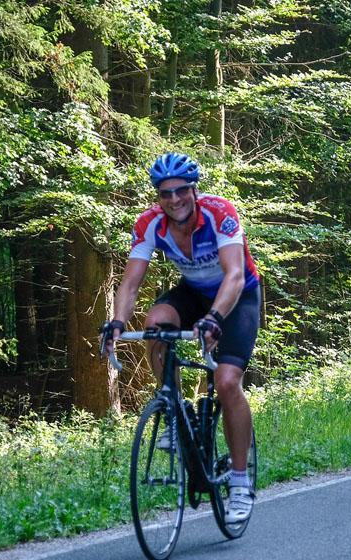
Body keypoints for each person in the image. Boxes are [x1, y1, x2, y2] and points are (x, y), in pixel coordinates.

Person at [102, 152, 262, 524]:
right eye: (165, 193)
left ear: (194, 190)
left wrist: (214, 318)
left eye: (181, 191)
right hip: (193, 292)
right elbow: (130, 281)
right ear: (158, 196)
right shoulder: (149, 224)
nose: (173, 200)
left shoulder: (219, 213)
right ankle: (173, 409)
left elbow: (235, 275)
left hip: (236, 297)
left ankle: (239, 483)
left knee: (225, 381)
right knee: (156, 321)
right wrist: (117, 321)